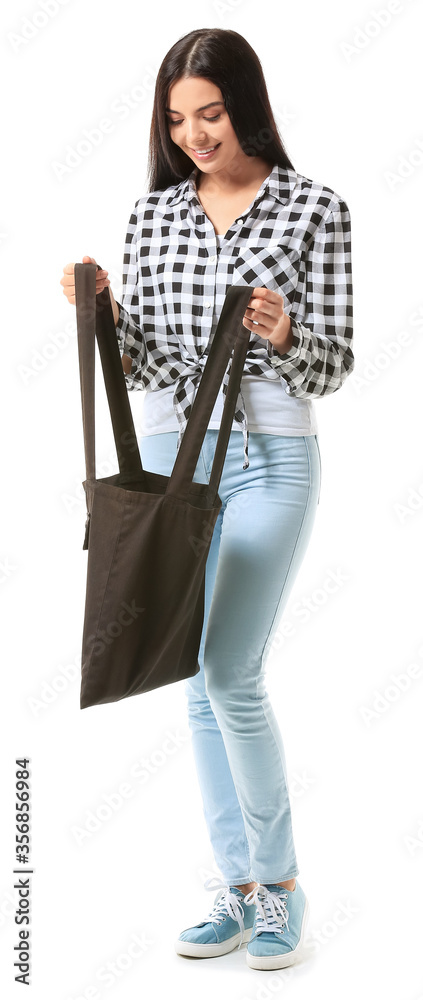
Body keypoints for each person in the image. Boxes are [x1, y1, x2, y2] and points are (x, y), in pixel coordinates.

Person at [60, 27, 354, 972]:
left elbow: (336, 365)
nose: (194, 134)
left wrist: (283, 329)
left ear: (246, 105)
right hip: (172, 459)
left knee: (230, 670)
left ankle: (280, 889)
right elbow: (144, 359)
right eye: (178, 119)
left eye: (211, 114)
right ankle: (235, 891)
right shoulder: (151, 216)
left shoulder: (316, 208)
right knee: (193, 682)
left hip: (271, 457)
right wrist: (100, 316)